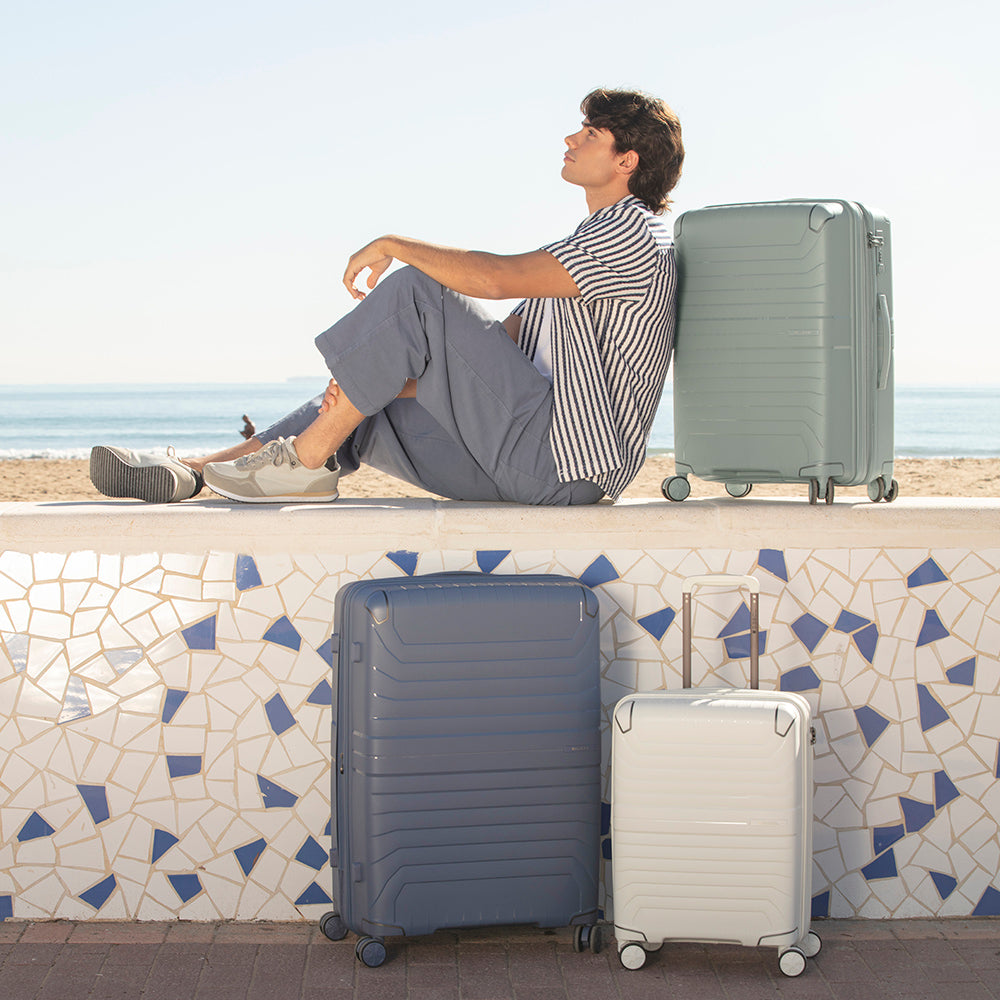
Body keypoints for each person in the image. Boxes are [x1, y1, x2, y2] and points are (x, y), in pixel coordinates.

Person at [90, 88, 684, 506]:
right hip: (534, 465)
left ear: (626, 160)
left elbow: (494, 280)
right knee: (360, 410)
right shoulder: (590, 243)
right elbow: (504, 344)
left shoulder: (631, 231)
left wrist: (395, 245)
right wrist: (369, 377)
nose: (570, 137)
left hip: (563, 461)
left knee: (421, 291)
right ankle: (198, 473)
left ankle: (300, 465)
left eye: (590, 133)